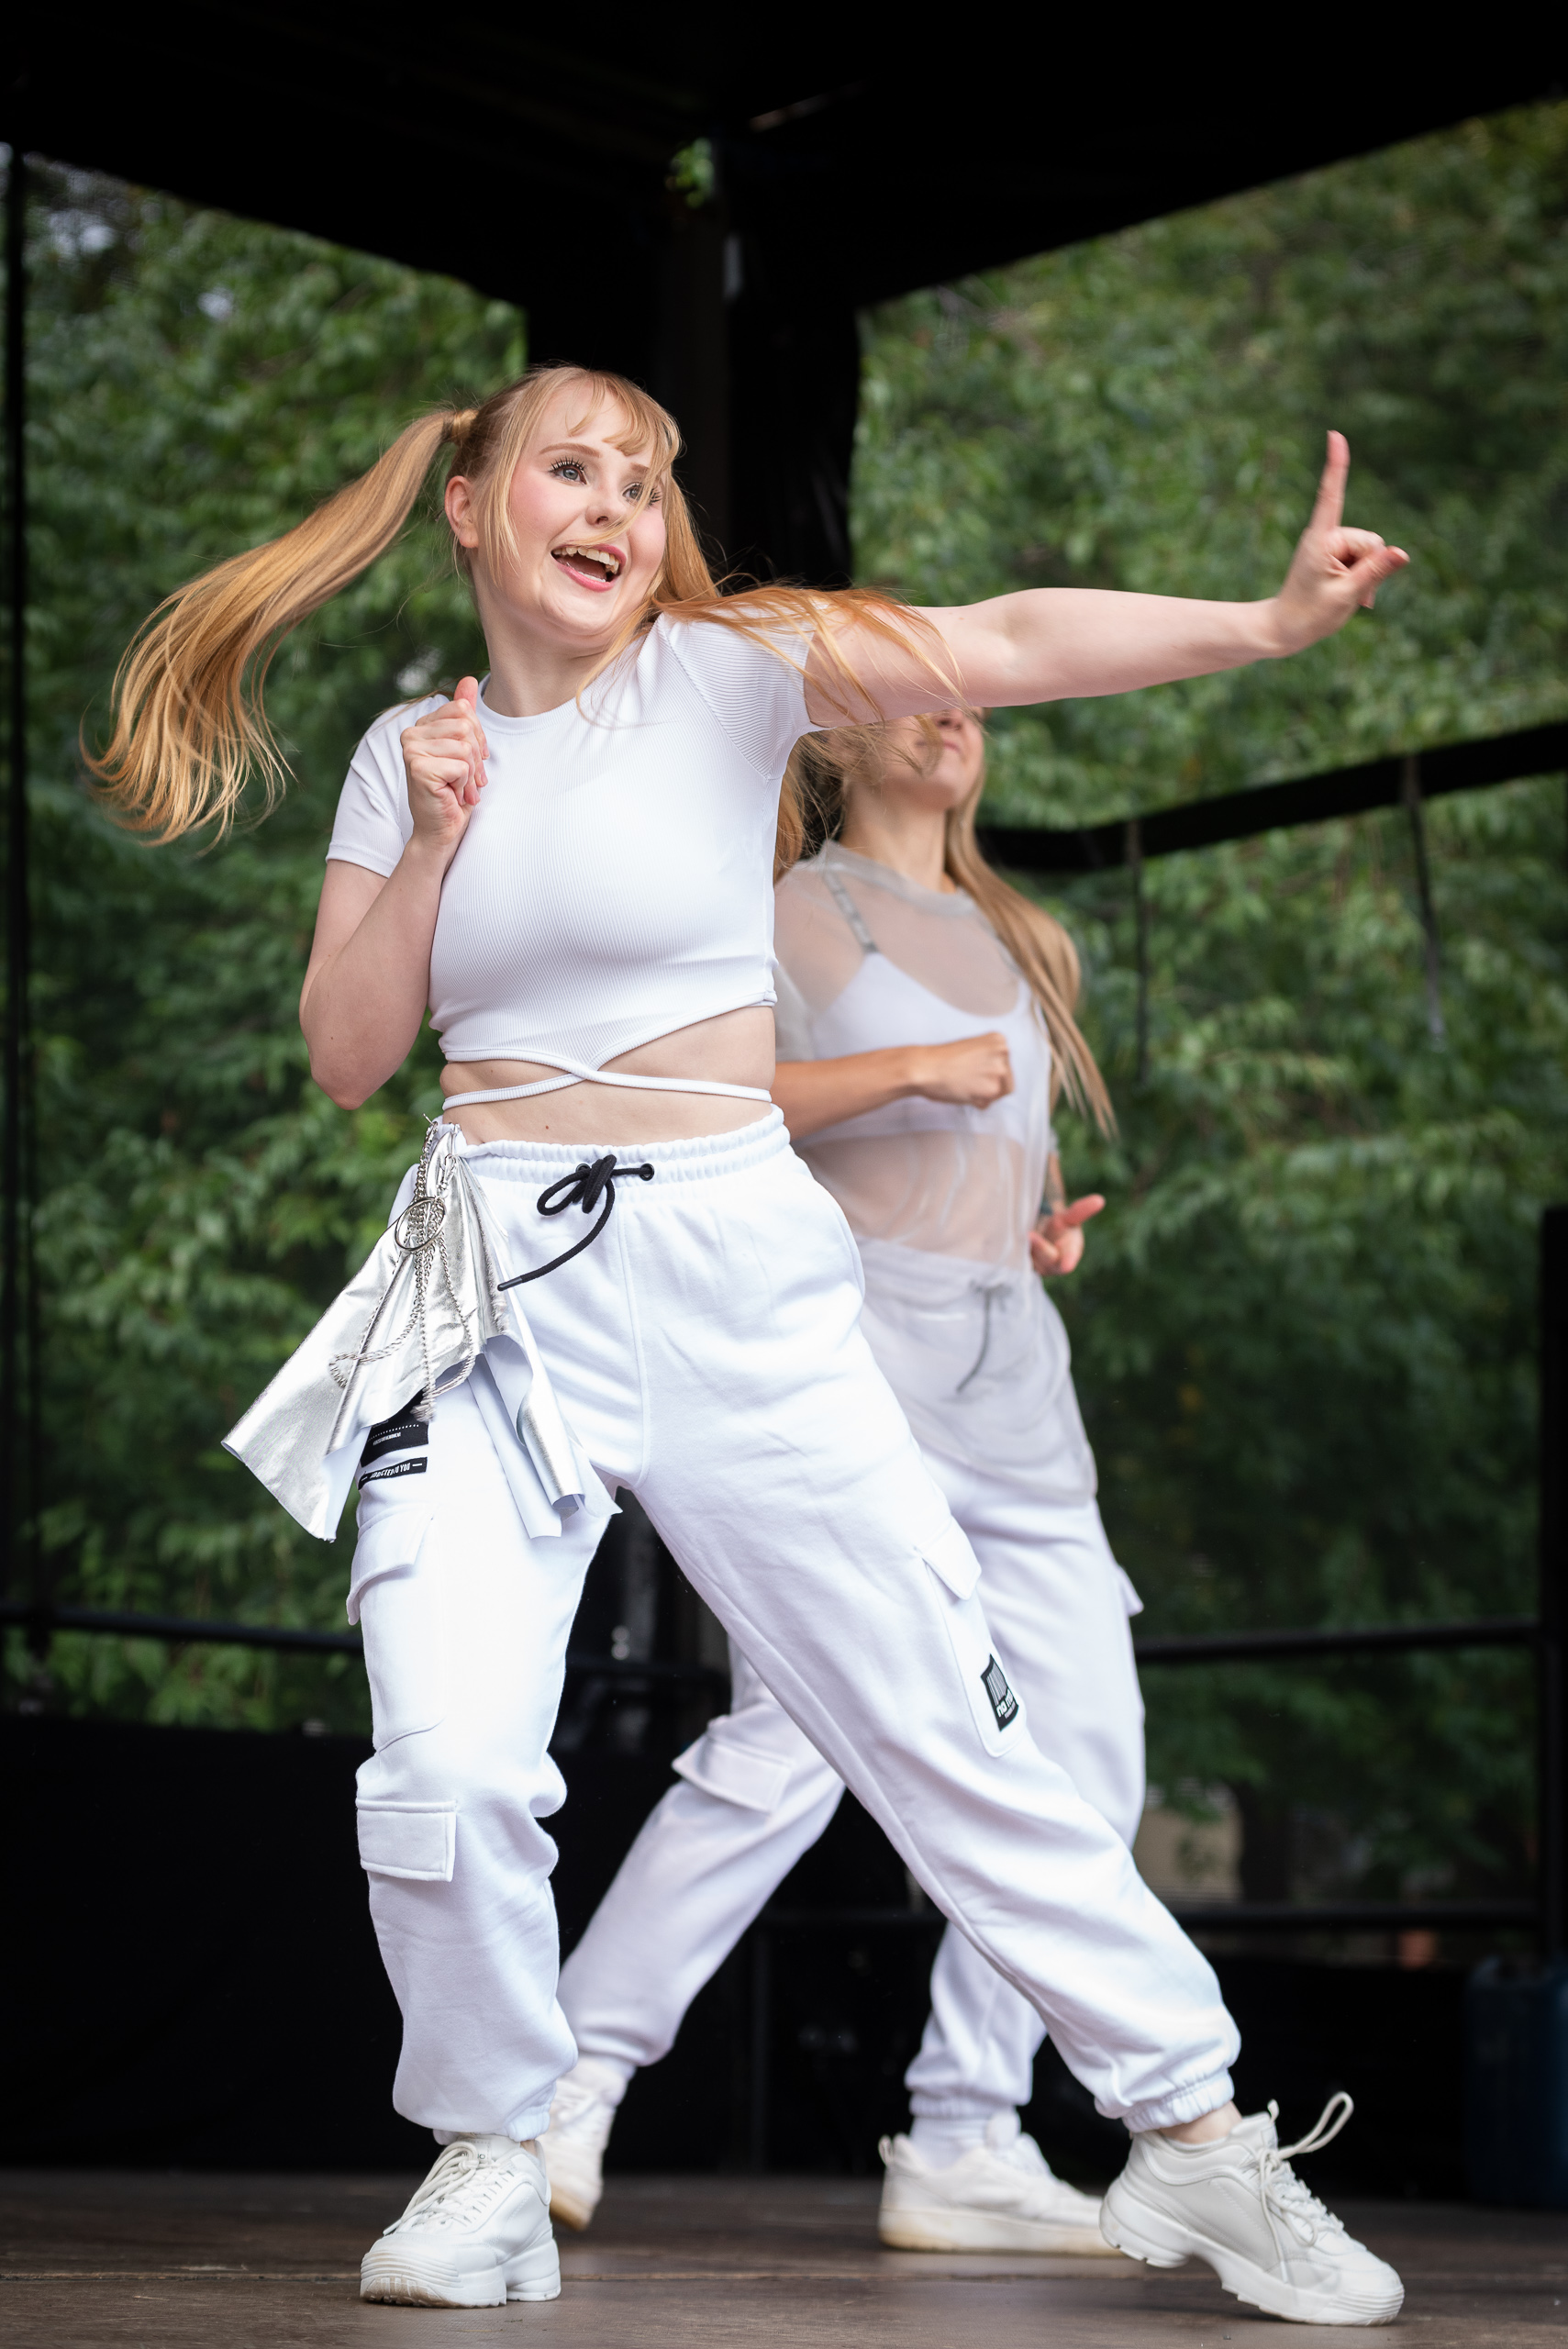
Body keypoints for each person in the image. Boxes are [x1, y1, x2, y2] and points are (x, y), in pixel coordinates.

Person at [94, 363, 1408, 2325]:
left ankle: (1196, 2134)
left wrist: (1264, 622)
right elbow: (351, 1052)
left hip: (725, 1261)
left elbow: (1001, 640)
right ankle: (491, 2154)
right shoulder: (406, 752)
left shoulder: (725, 674)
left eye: (644, 478)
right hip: (486, 1270)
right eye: (572, 467)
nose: (616, 505)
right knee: (441, 1765)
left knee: (943, 1723)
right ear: (470, 502)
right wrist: (437, 838)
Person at [544, 705, 1142, 2258]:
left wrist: (1030, 1224)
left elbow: (997, 1145)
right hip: (851, 1355)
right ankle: (571, 2079)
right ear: (842, 738)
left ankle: (965, 2130)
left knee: (1088, 1749)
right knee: (794, 1742)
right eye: (915, 693)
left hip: (1013, 1380)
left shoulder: (1027, 936)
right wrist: (908, 1069)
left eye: (971, 701)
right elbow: (705, 1100)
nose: (951, 718)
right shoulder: (784, 909)